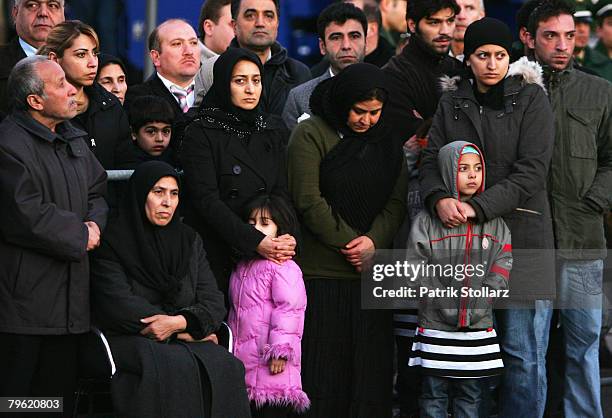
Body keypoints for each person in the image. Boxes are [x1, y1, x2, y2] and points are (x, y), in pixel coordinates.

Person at [419, 18, 556, 418]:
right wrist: (438, 198)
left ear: (510, 58)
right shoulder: (452, 101)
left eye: (500, 55)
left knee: (522, 354)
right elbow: (432, 160)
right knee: (465, 359)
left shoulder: (531, 98)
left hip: (524, 235)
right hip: (460, 245)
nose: (492, 64)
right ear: (468, 59)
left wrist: (477, 206)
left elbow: (532, 170)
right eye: (482, 56)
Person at [287, 62, 407, 417]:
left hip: (371, 275)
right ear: (342, 104)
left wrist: (373, 243)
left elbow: (396, 201)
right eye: (359, 111)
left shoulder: (387, 139)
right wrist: (353, 244)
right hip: (322, 274)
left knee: (371, 377)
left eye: (375, 112)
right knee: (326, 376)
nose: (367, 121)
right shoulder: (310, 134)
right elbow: (308, 200)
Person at [90, 161, 250, 418]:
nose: (167, 202)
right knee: (171, 367)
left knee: (226, 366)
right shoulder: (113, 242)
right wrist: (181, 333)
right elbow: (117, 302)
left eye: (173, 194)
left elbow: (212, 298)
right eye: (158, 192)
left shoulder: (188, 240)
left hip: (187, 332)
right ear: (140, 195)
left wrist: (180, 323)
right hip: (135, 337)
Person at [0, 55, 108, 415]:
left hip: (70, 306)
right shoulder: (8, 144)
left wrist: (94, 226)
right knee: (20, 404)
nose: (72, 90)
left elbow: (97, 190)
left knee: (57, 403)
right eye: (61, 83)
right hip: (24, 310)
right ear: (34, 101)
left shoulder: (73, 137)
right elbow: (24, 212)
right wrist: (80, 234)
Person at [526, 2, 612, 416]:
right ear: (529, 38)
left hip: (584, 239)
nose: (562, 45)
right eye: (550, 36)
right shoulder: (515, 89)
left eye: (569, 35)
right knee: (529, 352)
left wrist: (595, 199)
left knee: (584, 346)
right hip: (530, 242)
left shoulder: (599, 91)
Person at [181, 48, 296, 298]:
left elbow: (282, 191)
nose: (250, 89)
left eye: (256, 80)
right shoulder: (200, 131)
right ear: (224, 84)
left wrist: (284, 238)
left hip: (267, 249)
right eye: (240, 81)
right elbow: (206, 200)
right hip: (217, 251)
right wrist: (254, 240)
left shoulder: (272, 128)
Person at [407, 141, 511, 417]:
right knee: (433, 393)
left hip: (478, 324)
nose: (472, 175)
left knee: (471, 393)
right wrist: (440, 299)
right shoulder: (426, 222)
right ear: (447, 171)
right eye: (463, 168)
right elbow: (415, 267)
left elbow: (503, 262)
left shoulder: (493, 222)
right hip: (435, 324)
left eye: (477, 168)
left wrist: (486, 296)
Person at [228, 194, 310, 418]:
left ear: (280, 228)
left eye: (265, 223)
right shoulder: (243, 265)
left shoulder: (283, 267)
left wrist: (280, 350)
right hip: (245, 364)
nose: (256, 228)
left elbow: (290, 309)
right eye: (252, 223)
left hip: (272, 366)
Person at [38, 20, 133, 170]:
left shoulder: (111, 105)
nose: (93, 63)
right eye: (81, 55)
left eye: (94, 53)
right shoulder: (40, 109)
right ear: (55, 59)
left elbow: (127, 165)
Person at [195, 0, 311, 115]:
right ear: (234, 26)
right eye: (250, 16)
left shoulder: (299, 73)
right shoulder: (212, 70)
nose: (260, 23)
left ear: (277, 24)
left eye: (268, 16)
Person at [383, 0, 462, 140]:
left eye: (450, 21)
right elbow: (415, 139)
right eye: (434, 22)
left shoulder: (460, 69)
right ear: (412, 25)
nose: (445, 31)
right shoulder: (393, 75)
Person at [282, 2, 367, 130]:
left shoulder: (387, 91)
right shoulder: (298, 98)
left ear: (365, 42)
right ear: (322, 46)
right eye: (336, 37)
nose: (346, 45)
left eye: (354, 36)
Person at [126, 19, 201, 153]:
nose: (189, 51)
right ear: (156, 57)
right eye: (177, 44)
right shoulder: (136, 98)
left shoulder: (216, 93)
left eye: (194, 43)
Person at [0, 0, 65, 114]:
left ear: (63, 14)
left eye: (53, 5)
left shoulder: (87, 64)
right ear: (15, 13)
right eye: (32, 5)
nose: (43, 13)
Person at [120, 95, 176, 168]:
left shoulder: (178, 161)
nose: (160, 139)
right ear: (133, 133)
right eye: (151, 131)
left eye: (166, 131)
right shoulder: (124, 164)